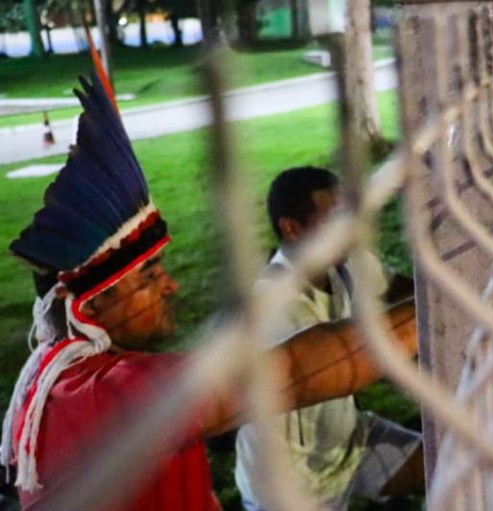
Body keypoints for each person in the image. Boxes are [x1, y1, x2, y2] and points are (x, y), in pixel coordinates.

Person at [0, 75, 418, 511]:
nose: (170, 285)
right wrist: (427, 316)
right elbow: (292, 371)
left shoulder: (69, 373)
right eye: (147, 277)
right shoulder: (99, 393)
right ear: (86, 304)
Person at [235, 167, 423, 511]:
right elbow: (362, 357)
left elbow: (402, 292)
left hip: (351, 442)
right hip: (289, 487)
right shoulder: (274, 306)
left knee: (453, 463)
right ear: (291, 229)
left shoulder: (347, 263)